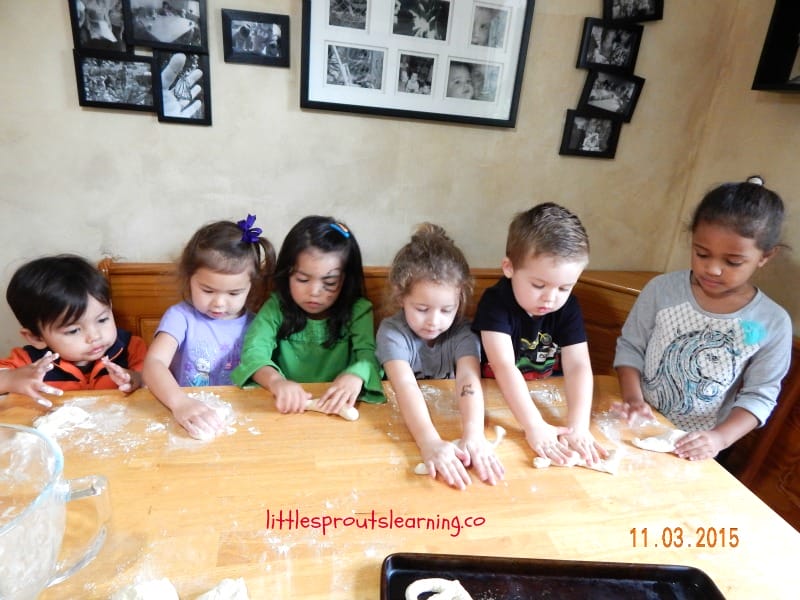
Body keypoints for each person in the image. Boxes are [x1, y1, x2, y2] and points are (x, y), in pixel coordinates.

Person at [614, 177, 792, 461]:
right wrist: (634, 399)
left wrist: (719, 439)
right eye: (701, 253)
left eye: (732, 262)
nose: (713, 269)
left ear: (765, 256)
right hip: (639, 425)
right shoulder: (662, 290)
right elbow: (631, 348)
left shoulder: (770, 323)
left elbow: (759, 396)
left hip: (700, 444)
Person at [472, 203, 608, 466]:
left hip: (545, 387)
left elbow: (578, 365)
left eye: (565, 287)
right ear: (509, 268)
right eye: (538, 285)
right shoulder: (495, 303)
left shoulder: (567, 307)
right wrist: (534, 426)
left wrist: (578, 427)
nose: (550, 298)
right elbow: (504, 366)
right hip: (498, 394)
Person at [376, 224, 505, 490]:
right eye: (422, 308)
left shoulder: (463, 333)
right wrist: (429, 442)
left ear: (460, 298)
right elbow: (406, 386)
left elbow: (468, 378)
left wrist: (473, 434)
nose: (435, 321)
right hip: (414, 425)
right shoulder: (392, 333)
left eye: (447, 309)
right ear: (401, 297)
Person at [231, 215, 385, 414]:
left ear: (346, 280)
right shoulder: (276, 307)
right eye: (303, 279)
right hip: (284, 409)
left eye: (329, 283)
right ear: (288, 273)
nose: (314, 292)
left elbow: (369, 355)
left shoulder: (358, 311)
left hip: (336, 409)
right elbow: (254, 352)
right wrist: (276, 382)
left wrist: (356, 375)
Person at [143, 215, 276, 439]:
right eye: (208, 290)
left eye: (234, 293)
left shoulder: (257, 324)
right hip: (185, 418)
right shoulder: (181, 317)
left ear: (251, 286)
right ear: (189, 279)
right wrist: (180, 403)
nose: (219, 303)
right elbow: (153, 364)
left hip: (238, 420)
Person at [0, 254, 145, 408]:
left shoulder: (130, 348)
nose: (95, 336)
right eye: (74, 330)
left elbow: (150, 381)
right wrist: (10, 379)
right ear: (36, 337)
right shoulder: (31, 363)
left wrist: (133, 378)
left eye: (102, 320)